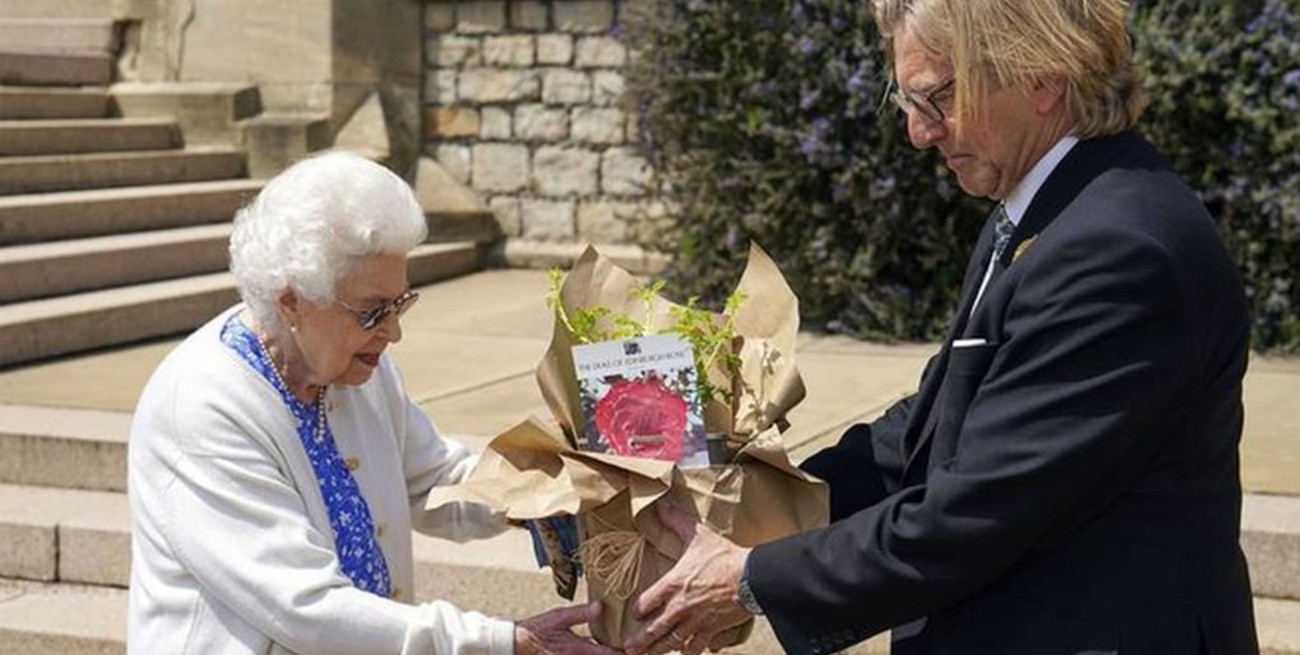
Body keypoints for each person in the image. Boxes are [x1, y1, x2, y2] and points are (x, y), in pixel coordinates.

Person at [621, 0, 1260, 654]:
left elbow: (974, 512)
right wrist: (753, 500)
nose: (919, 133)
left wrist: (749, 578)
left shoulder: (1117, 251)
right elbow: (936, 424)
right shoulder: (1045, 207)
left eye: (936, 99)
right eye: (907, 101)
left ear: (1040, 75)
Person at [128, 152, 619, 655]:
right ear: (292, 301)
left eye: (400, 303)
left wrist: (541, 487)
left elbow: (432, 480)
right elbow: (306, 609)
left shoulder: (353, 366)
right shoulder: (202, 408)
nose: (394, 331)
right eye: (372, 312)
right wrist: (505, 643)